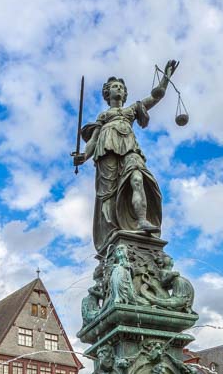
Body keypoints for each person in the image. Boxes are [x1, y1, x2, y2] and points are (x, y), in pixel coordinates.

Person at [73, 60, 178, 251]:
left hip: (130, 148)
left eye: (121, 87)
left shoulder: (132, 110)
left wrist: (166, 78)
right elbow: (93, 141)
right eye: (115, 87)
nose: (119, 89)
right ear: (107, 93)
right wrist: (84, 156)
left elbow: (155, 96)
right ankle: (112, 232)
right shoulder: (103, 116)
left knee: (138, 178)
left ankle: (142, 220)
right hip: (106, 150)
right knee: (109, 194)